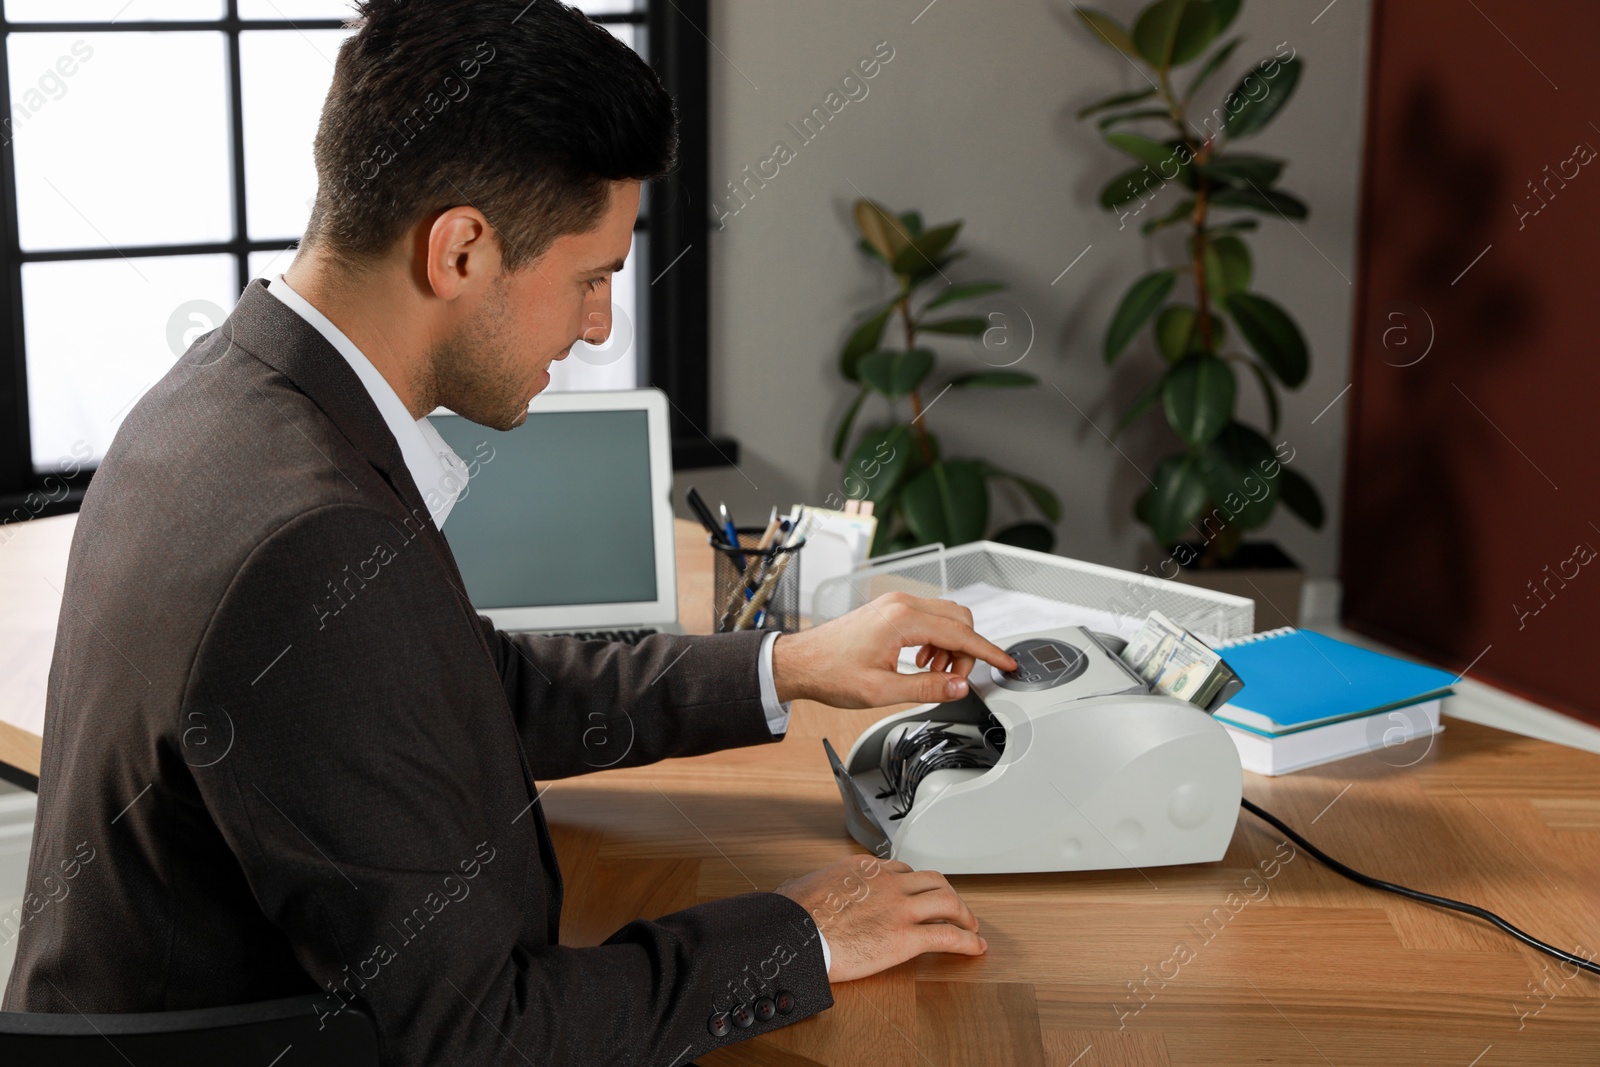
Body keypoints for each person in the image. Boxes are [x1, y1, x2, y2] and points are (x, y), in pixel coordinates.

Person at [3, 1, 1018, 1062]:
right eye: (592, 278)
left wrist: (791, 661)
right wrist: (794, 934)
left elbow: (456, 690)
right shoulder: (310, 536)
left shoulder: (218, 396)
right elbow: (484, 1033)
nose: (599, 327)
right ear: (461, 250)